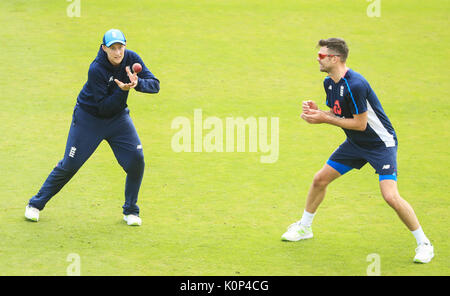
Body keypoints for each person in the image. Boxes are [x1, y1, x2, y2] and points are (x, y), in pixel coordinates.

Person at [281, 38, 434, 263]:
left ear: (335, 58)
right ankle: (305, 227)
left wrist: (325, 119)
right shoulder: (330, 83)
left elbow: (360, 124)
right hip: (356, 144)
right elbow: (341, 115)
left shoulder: (356, 84)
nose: (318, 58)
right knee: (319, 180)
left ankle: (424, 244)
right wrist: (320, 113)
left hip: (380, 145)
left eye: (322, 55)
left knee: (390, 196)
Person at [25, 29, 160, 226]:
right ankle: (35, 204)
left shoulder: (131, 58)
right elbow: (104, 108)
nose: (117, 52)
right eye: (112, 48)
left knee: (137, 160)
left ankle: (131, 211)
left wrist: (137, 83)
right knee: (70, 165)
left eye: (120, 47)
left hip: (118, 120)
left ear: (125, 46)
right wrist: (123, 91)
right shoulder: (96, 68)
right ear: (104, 48)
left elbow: (155, 85)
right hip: (89, 119)